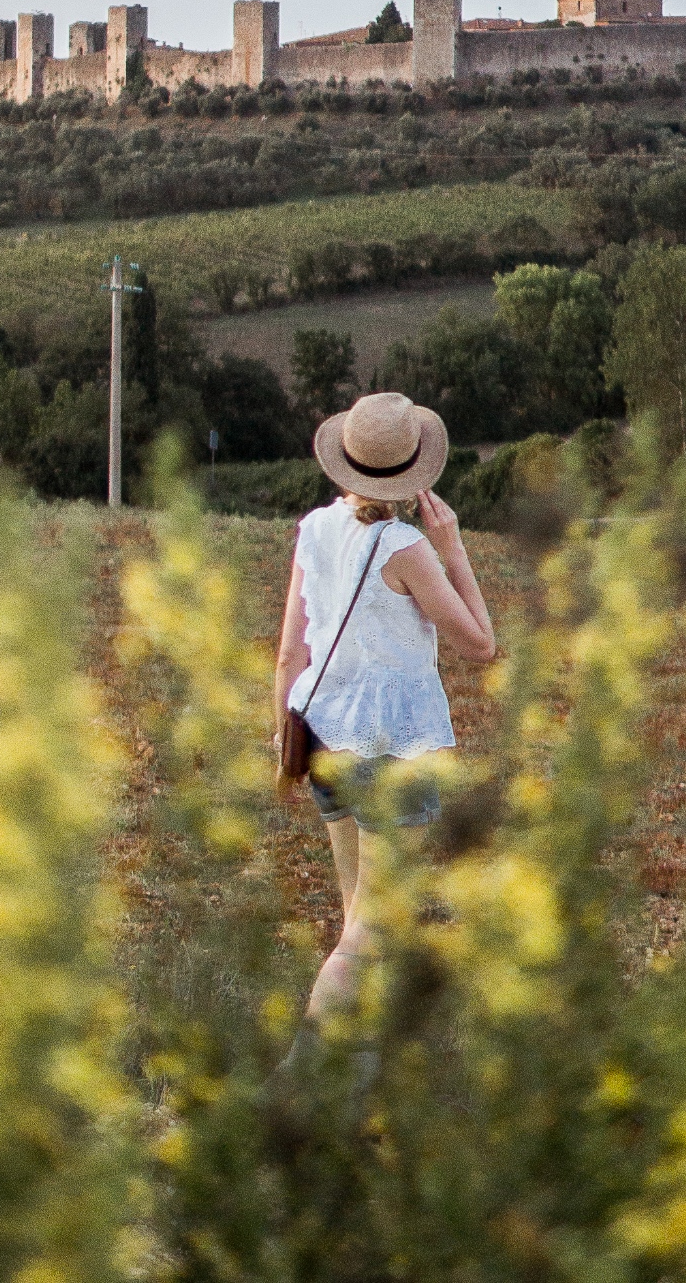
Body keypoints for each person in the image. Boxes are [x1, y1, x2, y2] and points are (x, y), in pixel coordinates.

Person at [273, 390, 495, 1039]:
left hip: (321, 741)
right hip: (391, 754)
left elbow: (290, 650)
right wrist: (452, 547)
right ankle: (306, 1080)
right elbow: (481, 645)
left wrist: (281, 750)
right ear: (414, 472)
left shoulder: (314, 529)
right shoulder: (406, 548)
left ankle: (358, 1080)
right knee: (369, 935)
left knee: (358, 921)